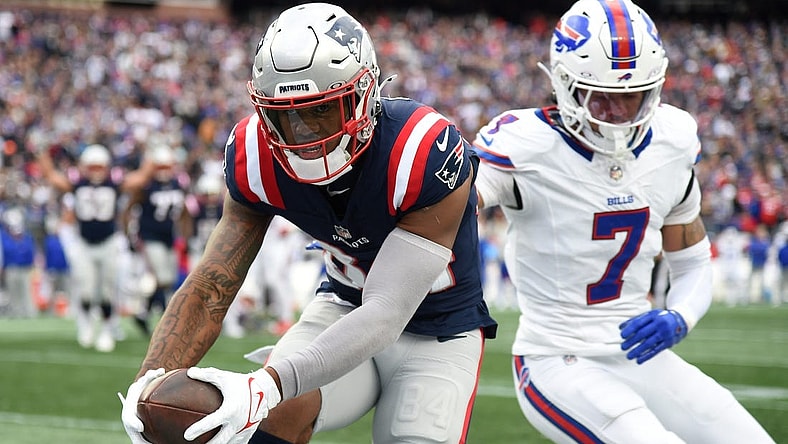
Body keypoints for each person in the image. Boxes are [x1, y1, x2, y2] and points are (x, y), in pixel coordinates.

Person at [120, 4, 497, 444]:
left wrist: (266, 385)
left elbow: (386, 312)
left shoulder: (423, 150)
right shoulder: (255, 155)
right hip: (341, 306)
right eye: (284, 115)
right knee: (268, 419)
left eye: (321, 111)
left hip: (438, 328)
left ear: (364, 95)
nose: (302, 134)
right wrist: (147, 385)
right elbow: (212, 283)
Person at [472, 0, 775, 442]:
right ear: (565, 84)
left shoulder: (670, 143)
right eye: (603, 96)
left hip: (637, 353)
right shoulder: (526, 147)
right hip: (556, 359)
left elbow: (691, 262)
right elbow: (452, 205)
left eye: (630, 96)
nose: (617, 112)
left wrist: (679, 316)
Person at [37, 143, 148, 352]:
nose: (96, 171)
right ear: (85, 167)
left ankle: (106, 330)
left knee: (107, 291)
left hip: (108, 242)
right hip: (84, 243)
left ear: (106, 166)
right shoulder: (77, 184)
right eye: (92, 167)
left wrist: (152, 155)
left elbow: (141, 178)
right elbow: (51, 176)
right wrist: (42, 154)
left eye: (99, 167)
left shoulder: (114, 184)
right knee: (86, 290)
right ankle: (87, 324)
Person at [123, 144, 191, 336]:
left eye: (166, 167)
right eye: (160, 167)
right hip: (149, 235)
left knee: (167, 280)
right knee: (163, 277)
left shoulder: (178, 184)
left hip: (169, 237)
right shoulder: (146, 187)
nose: (164, 171)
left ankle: (143, 312)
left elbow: (185, 212)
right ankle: (163, 315)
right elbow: (128, 209)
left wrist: (184, 237)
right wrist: (129, 234)